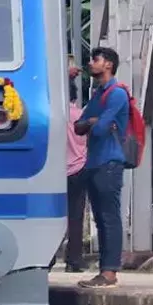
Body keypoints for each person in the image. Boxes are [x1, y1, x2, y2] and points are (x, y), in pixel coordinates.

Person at [73, 46, 128, 288]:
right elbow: (78, 126)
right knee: (101, 218)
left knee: (109, 217)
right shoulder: (99, 95)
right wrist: (94, 121)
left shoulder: (117, 94)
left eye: (95, 59)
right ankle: (105, 271)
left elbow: (98, 127)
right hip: (94, 162)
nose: (91, 63)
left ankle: (109, 271)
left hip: (109, 162)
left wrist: (93, 122)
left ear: (108, 64)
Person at [62, 78, 89, 272]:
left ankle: (49, 258)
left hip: (54, 172)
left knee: (51, 215)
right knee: (75, 217)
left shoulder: (53, 116)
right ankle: (74, 260)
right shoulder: (81, 115)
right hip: (79, 169)